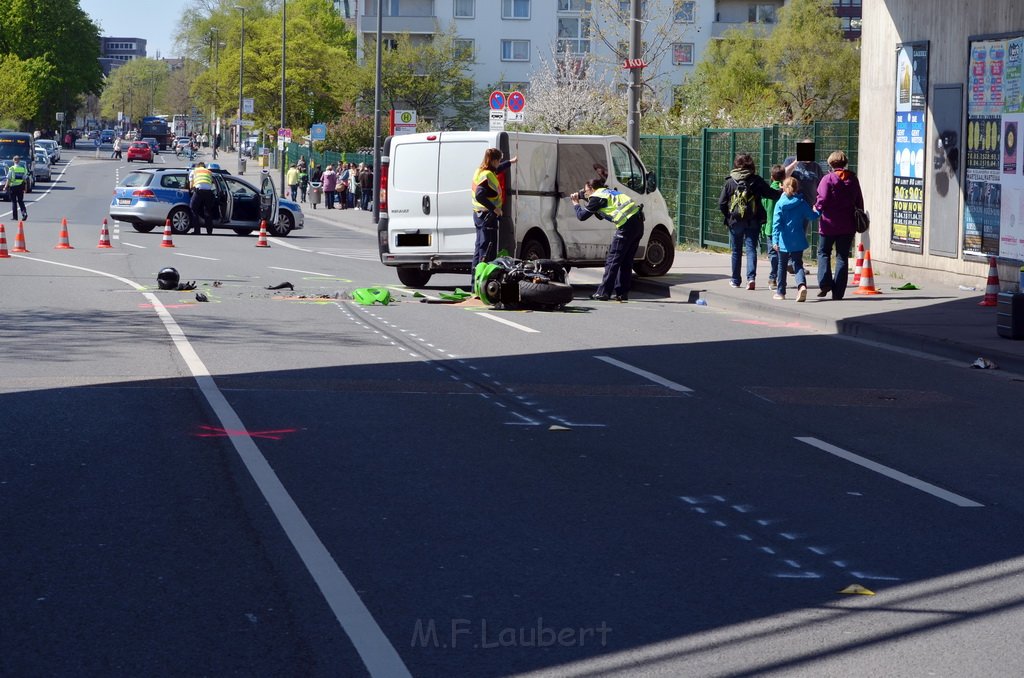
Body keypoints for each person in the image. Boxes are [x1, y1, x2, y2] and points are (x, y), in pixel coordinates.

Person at [572, 176, 644, 302]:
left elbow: (581, 216)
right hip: (638, 224)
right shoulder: (607, 192)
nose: (585, 193)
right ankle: (622, 293)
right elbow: (601, 209)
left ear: (591, 188)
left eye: (586, 191)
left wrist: (576, 204)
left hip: (626, 226)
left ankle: (603, 292)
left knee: (613, 260)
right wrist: (583, 195)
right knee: (626, 261)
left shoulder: (597, 197)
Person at [718, 153, 781, 290]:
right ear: (751, 164)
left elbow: (721, 203)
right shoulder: (756, 180)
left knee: (736, 251)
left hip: (735, 221)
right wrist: (785, 190)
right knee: (751, 249)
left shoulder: (730, 182)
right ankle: (751, 279)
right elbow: (771, 194)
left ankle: (735, 280)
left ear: (736, 165)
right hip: (753, 220)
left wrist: (729, 216)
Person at [815, 150, 864, 300]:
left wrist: (816, 208)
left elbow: (822, 200)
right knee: (842, 256)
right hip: (848, 225)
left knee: (824, 253)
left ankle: (825, 283)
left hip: (828, 225)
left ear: (830, 163)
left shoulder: (827, 179)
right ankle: (838, 293)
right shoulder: (853, 179)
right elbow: (859, 201)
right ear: (845, 163)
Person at [470, 147, 517, 278]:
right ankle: (483, 280)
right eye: (499, 160)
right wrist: (495, 209)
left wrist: (510, 162)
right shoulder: (487, 176)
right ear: (493, 160)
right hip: (487, 216)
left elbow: (497, 169)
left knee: (479, 249)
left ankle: (475, 283)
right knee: (486, 251)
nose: (499, 163)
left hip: (478, 215)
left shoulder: (480, 171)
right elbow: (480, 195)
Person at [772, 177, 820, 302]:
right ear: (797, 188)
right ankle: (802, 286)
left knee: (782, 266)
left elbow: (776, 224)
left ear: (783, 186)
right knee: (798, 264)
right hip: (798, 238)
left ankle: (781, 292)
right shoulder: (801, 203)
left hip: (784, 240)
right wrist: (817, 210)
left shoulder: (780, 204)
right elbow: (813, 216)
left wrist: (775, 240)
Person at [761, 164, 785, 290]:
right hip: (783, 227)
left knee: (772, 253)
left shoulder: (768, 191)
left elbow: (763, 207)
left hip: (770, 227)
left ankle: (773, 278)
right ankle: (780, 278)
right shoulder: (787, 192)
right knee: (782, 253)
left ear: (771, 177)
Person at [188, 161, 216, 235]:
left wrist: (192, 191)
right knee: (207, 211)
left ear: (197, 166)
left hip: (199, 192)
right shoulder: (209, 172)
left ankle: (197, 230)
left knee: (193, 209)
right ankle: (209, 231)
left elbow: (191, 186)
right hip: (208, 192)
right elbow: (212, 183)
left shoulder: (194, 171)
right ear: (204, 167)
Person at [5, 156, 28, 221]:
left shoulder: (11, 168)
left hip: (13, 187)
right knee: (20, 201)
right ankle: (24, 213)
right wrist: (26, 188)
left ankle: (15, 217)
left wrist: (5, 187)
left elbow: (8, 179)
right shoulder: (23, 169)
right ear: (19, 161)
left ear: (13, 160)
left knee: (14, 202)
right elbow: (25, 179)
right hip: (20, 186)